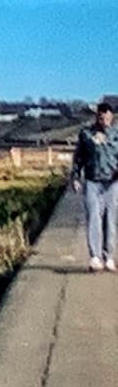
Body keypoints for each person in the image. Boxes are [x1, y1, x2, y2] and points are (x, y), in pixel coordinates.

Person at [71, 102, 118, 271]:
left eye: (106, 116)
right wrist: (75, 177)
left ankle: (109, 256)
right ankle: (95, 256)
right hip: (92, 181)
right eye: (100, 116)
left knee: (110, 220)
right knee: (94, 218)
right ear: (96, 117)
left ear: (111, 116)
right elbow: (79, 157)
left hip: (112, 183)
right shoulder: (86, 134)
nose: (103, 119)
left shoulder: (116, 134)